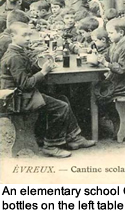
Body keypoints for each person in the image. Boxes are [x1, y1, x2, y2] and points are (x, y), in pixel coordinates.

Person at [0, 22, 96, 158]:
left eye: (29, 34)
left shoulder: (18, 51)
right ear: (12, 36)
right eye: (24, 35)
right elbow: (25, 84)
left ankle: (73, 137)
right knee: (61, 107)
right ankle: (51, 145)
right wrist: (44, 72)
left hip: (22, 95)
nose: (28, 38)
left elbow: (26, 72)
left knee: (62, 98)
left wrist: (41, 64)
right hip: (16, 99)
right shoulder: (14, 57)